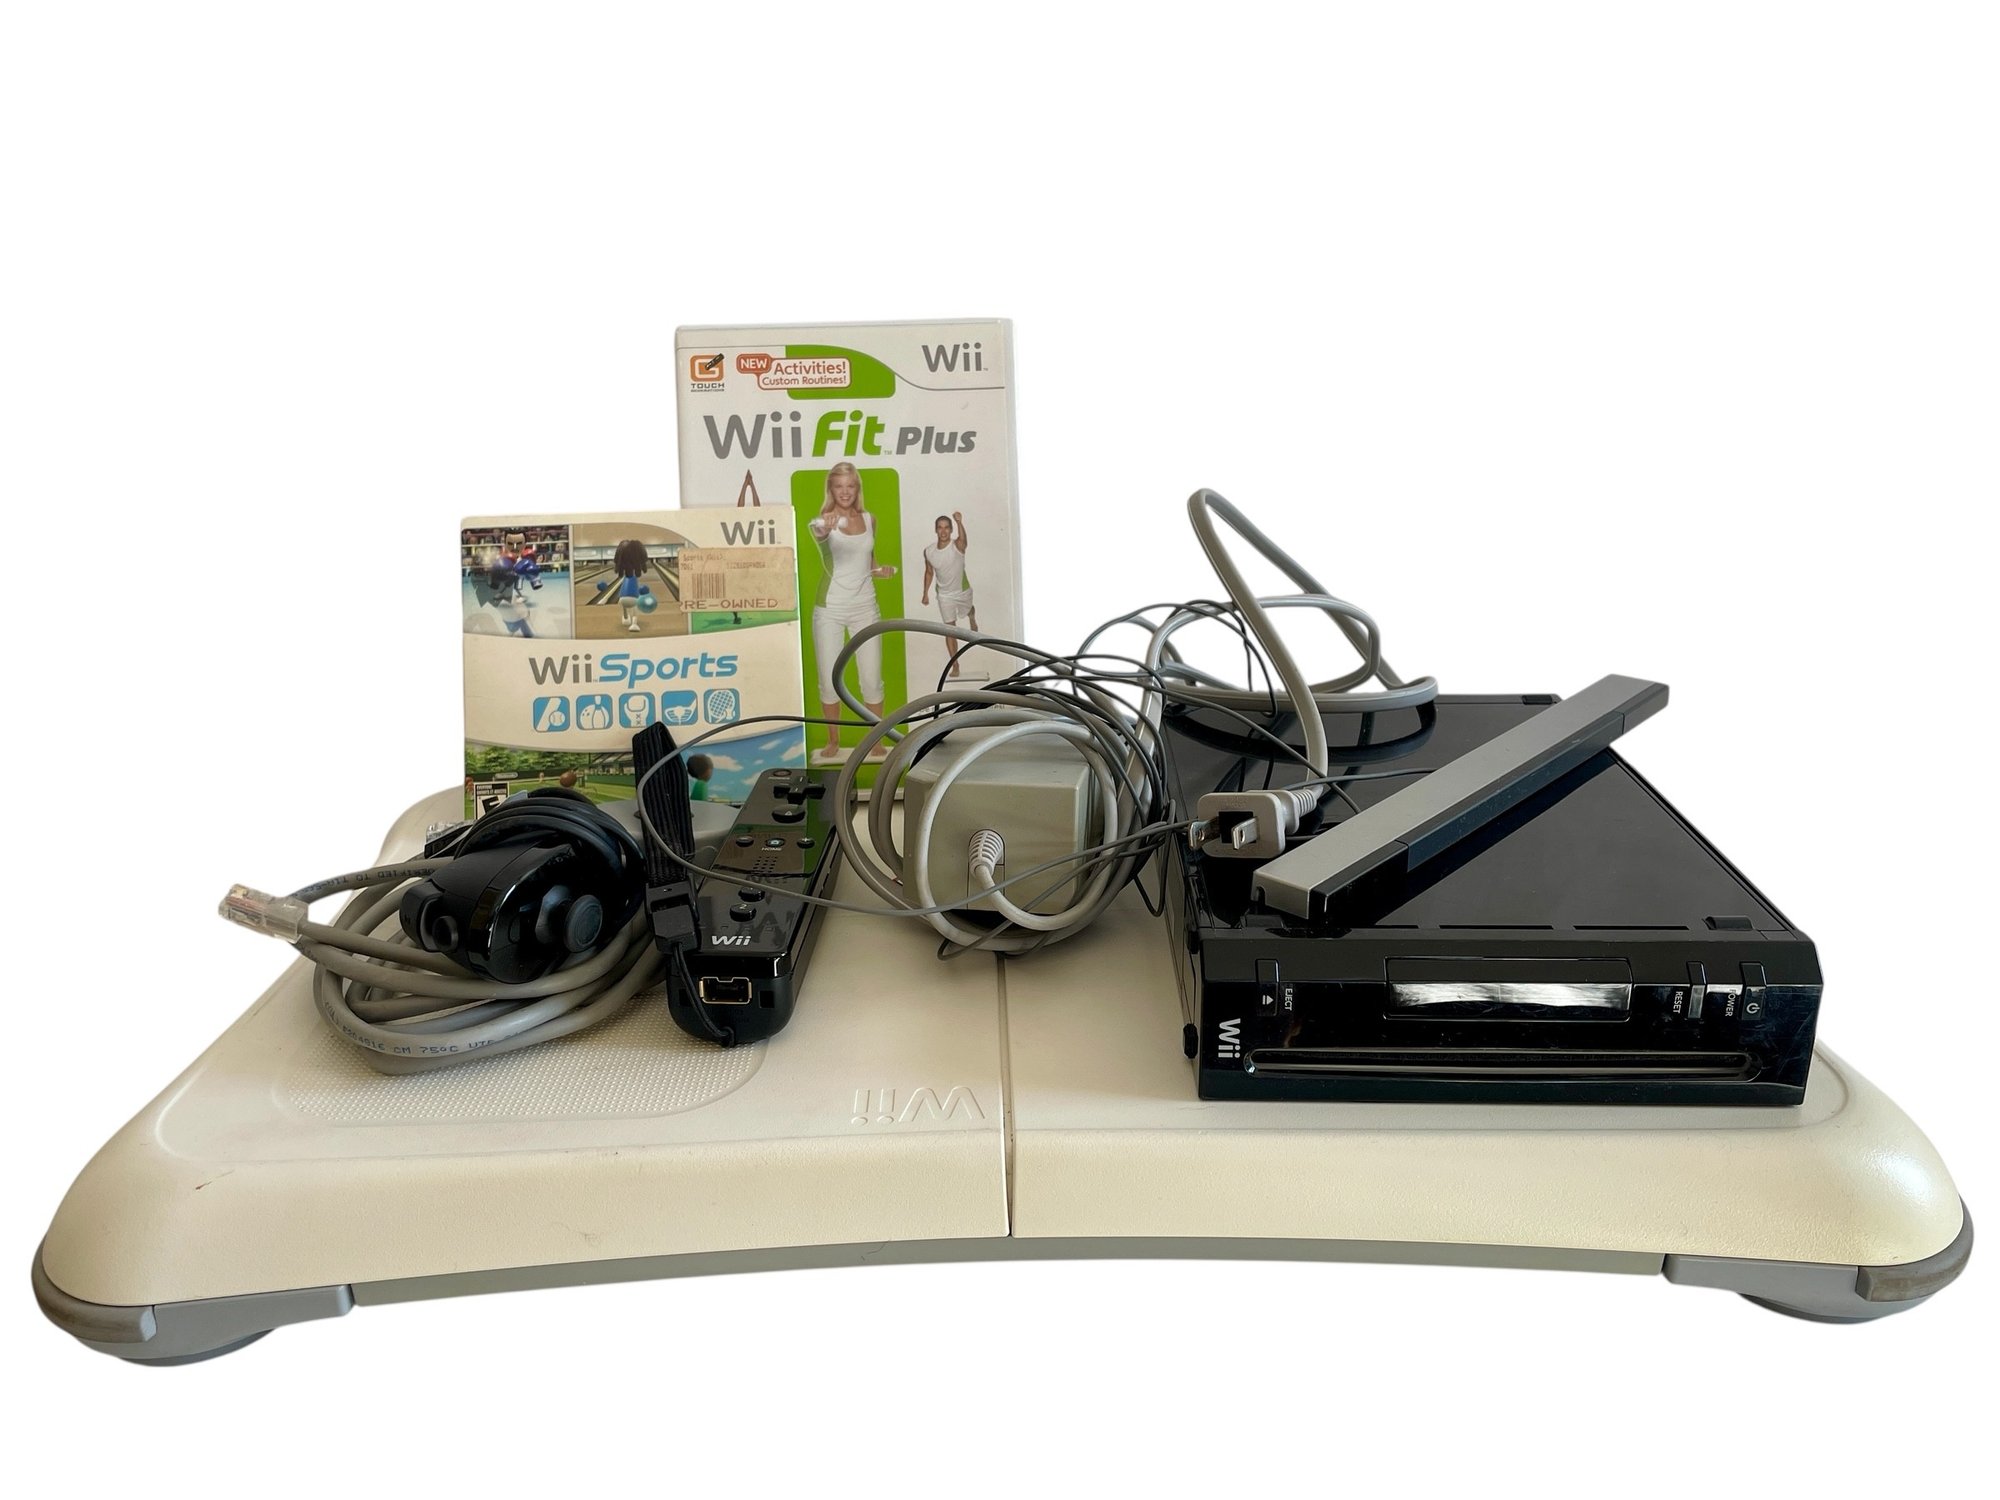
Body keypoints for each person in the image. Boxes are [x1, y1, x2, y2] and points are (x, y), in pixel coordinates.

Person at [805, 462, 896, 763]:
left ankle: (875, 738)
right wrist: (826, 527)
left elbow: (869, 562)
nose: (845, 492)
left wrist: (881, 571)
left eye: (850, 486)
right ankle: (833, 740)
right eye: (838, 486)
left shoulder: (870, 519)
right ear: (831, 489)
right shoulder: (821, 522)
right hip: (830, 609)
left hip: (866, 607)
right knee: (829, 679)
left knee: (872, 678)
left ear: (857, 489)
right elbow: (820, 534)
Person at [919, 510, 978, 676]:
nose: (943, 531)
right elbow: (929, 572)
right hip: (944, 595)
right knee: (950, 629)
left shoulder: (957, 546)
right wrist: (925, 593)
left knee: (969, 610)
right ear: (936, 530)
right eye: (940, 527)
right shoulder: (929, 551)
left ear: (951, 530)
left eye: (946, 527)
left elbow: (964, 540)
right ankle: (955, 665)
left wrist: (959, 522)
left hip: (962, 591)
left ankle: (972, 617)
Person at [612, 538, 650, 634]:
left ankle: (625, 617)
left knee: (625, 605)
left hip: (622, 598)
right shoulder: (634, 575)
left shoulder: (625, 575)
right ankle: (634, 623)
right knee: (635, 607)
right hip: (634, 597)